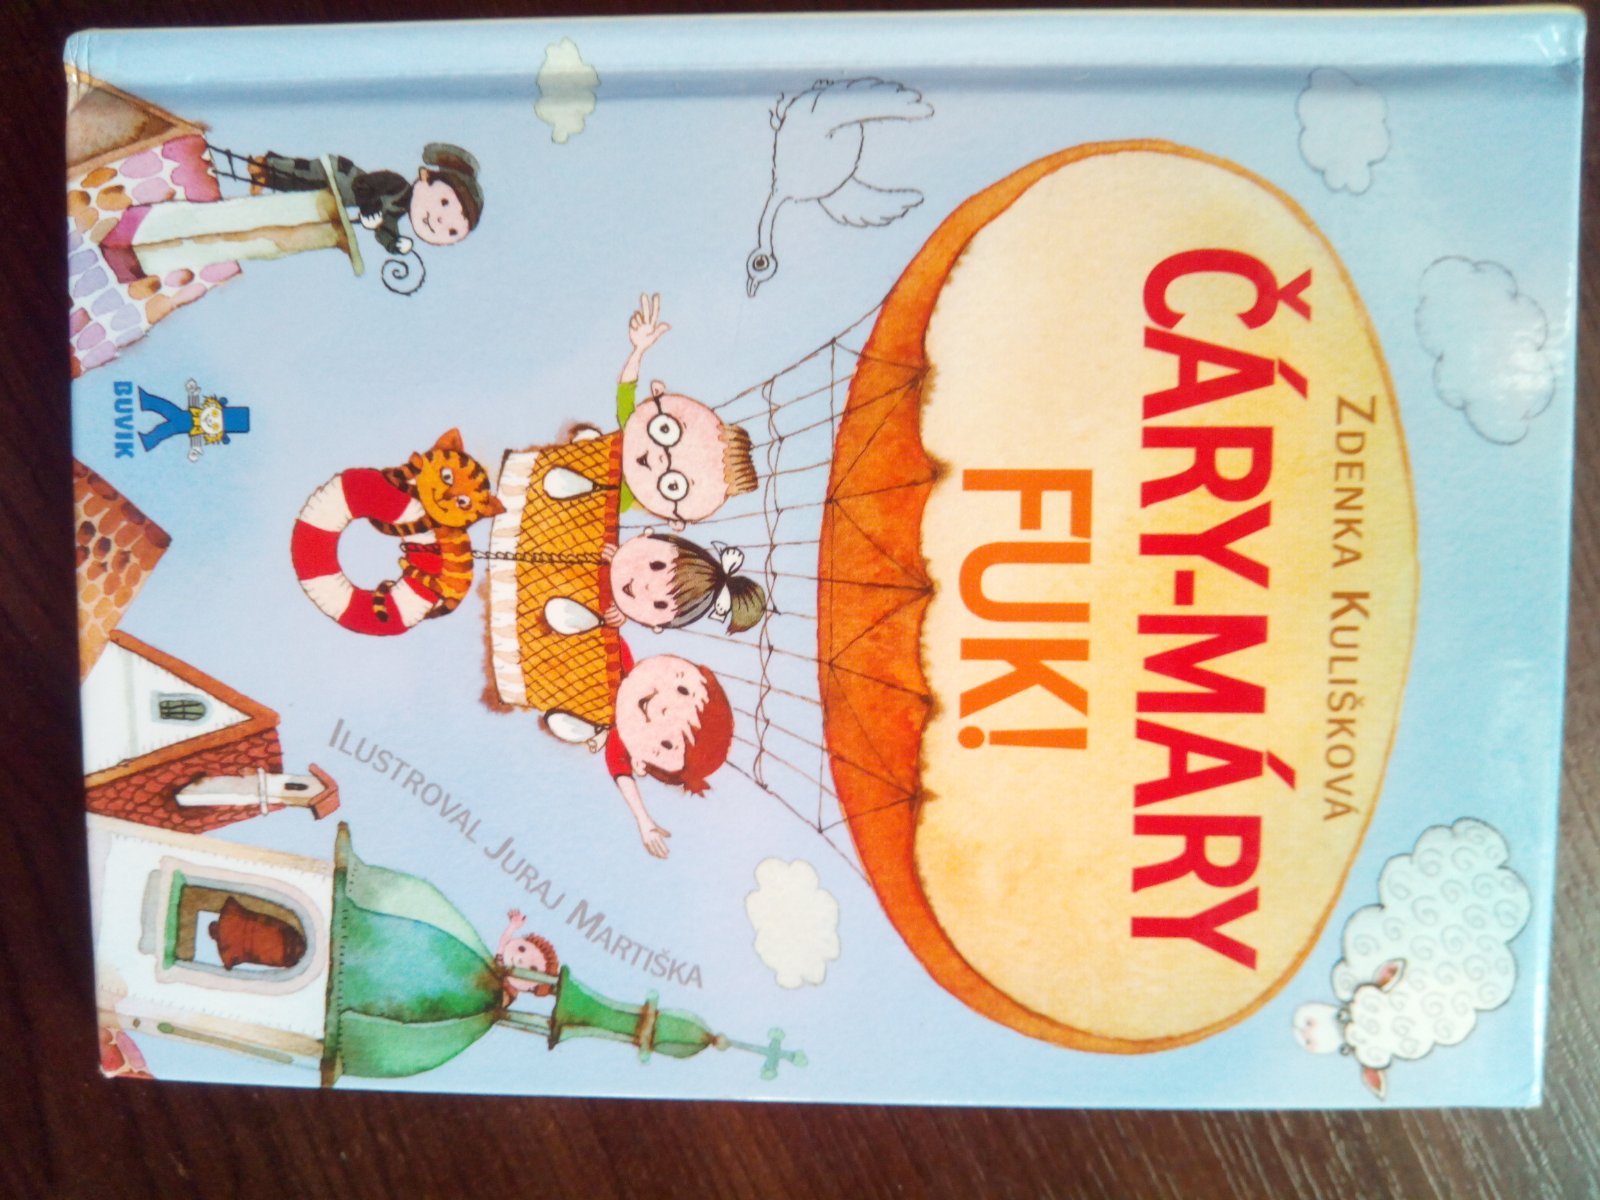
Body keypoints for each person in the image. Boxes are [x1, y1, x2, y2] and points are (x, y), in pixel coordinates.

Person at [543, 645, 734, 859]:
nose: (663, 709)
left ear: (639, 763)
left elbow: (620, 771)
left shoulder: (618, 736)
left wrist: (643, 819)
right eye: (682, 690)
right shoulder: (616, 653)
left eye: (667, 743)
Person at [248, 142, 483, 256]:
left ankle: (265, 177)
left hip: (338, 196)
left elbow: (385, 226)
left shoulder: (398, 208)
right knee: (300, 174)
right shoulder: (396, 184)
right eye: (444, 203)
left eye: (452, 231)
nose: (440, 221)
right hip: (338, 175)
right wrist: (369, 207)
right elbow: (364, 184)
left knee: (300, 189)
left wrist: (393, 243)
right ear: (425, 177)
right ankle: (265, 165)